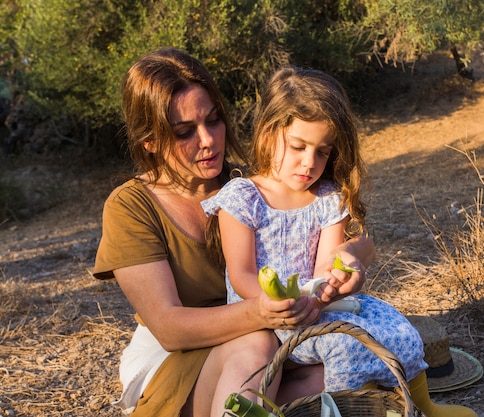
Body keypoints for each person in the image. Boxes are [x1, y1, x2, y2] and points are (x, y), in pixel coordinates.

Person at [92, 48, 375, 417]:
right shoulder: (130, 206)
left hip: (273, 339)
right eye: (184, 132)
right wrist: (263, 312)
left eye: (213, 120)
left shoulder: (248, 187)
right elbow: (170, 328)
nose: (208, 140)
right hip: (180, 357)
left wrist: (352, 258)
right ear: (151, 142)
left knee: (348, 368)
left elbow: (351, 234)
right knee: (255, 346)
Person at [202, 66, 478, 417]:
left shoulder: (328, 198)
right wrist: (279, 300)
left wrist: (334, 282)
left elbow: (326, 265)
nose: (309, 163)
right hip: (266, 315)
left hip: (316, 310)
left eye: (322, 151)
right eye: (299, 146)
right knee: (346, 347)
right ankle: (347, 406)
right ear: (271, 135)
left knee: (399, 331)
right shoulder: (243, 197)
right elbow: (241, 276)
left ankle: (421, 404)